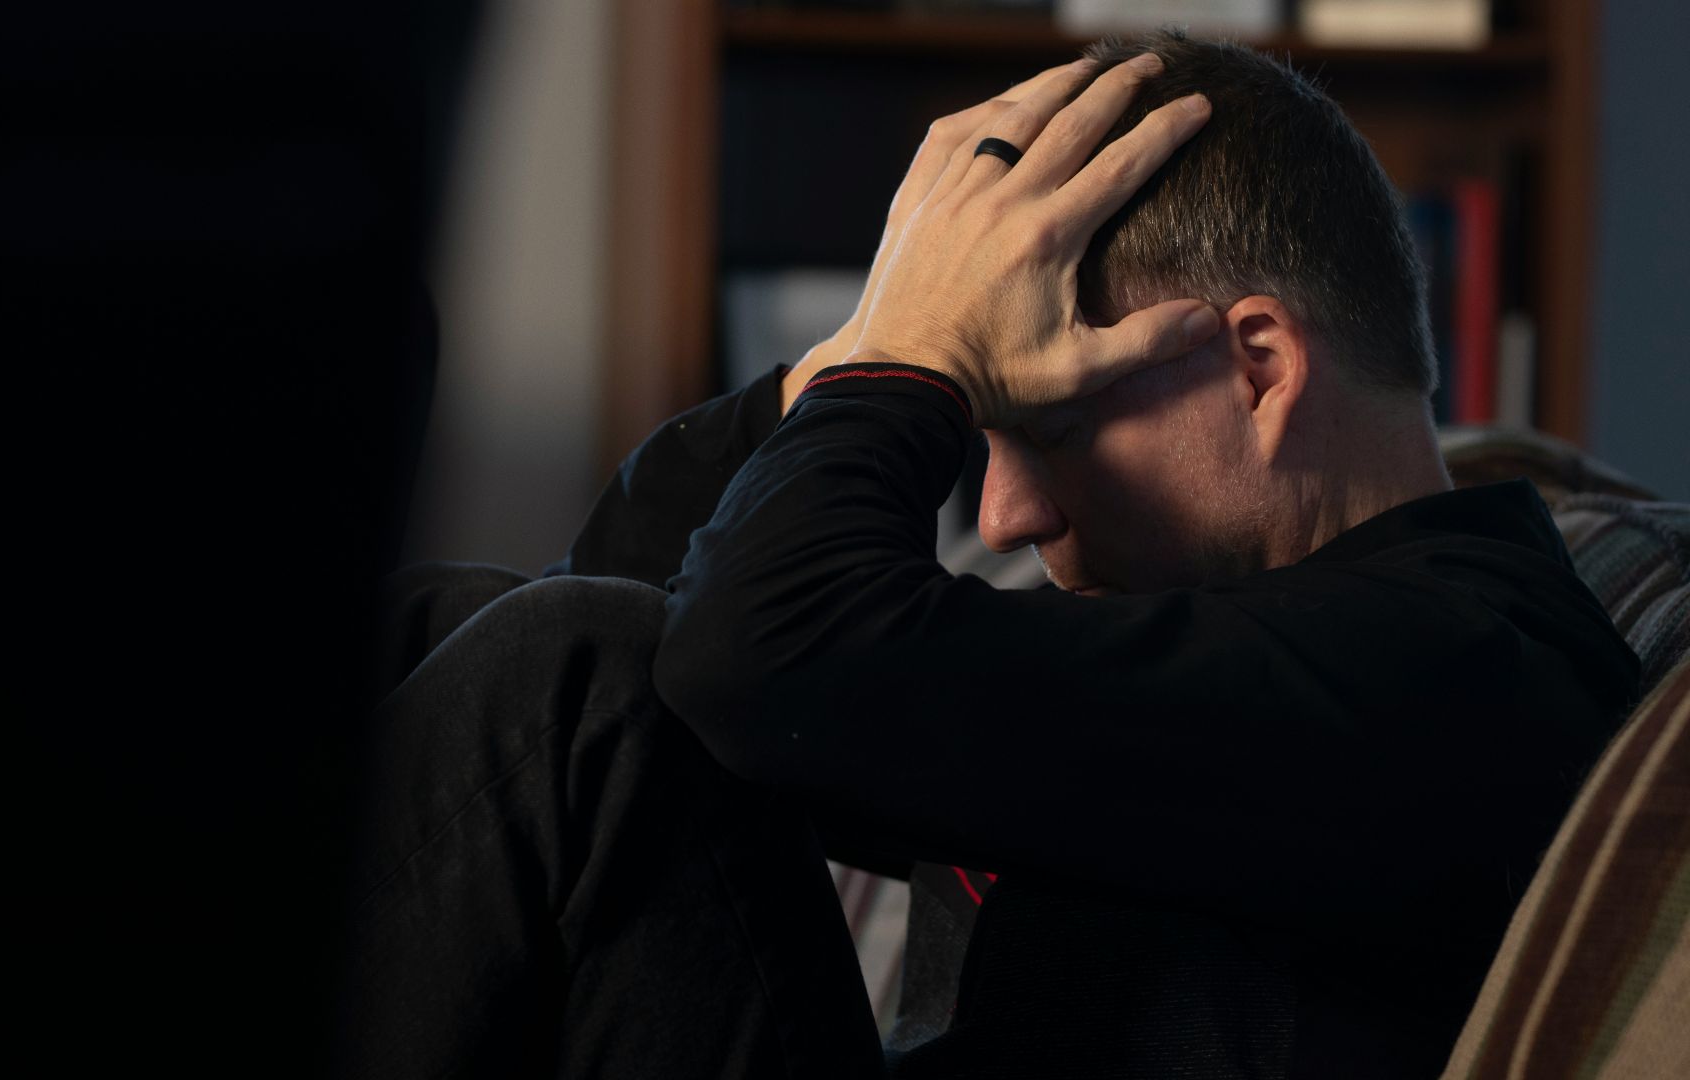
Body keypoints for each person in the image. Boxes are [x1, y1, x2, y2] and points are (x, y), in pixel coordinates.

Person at [345, 33, 1639, 1079]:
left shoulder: (1448, 670)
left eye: (1045, 427)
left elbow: (737, 659)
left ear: (1257, 369)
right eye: (985, 434)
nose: (1007, 518)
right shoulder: (1251, 636)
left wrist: (915, 369)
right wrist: (882, 335)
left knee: (571, 682)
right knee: (447, 622)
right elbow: (645, 594)